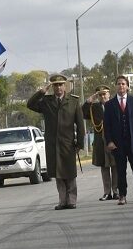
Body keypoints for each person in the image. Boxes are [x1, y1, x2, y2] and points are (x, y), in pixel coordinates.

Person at [27, 73, 84, 210]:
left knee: (69, 173)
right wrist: (41, 92)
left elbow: (80, 125)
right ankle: (62, 201)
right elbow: (30, 104)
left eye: (60, 85)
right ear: (52, 87)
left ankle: (71, 200)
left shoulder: (73, 101)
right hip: (53, 144)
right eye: (55, 85)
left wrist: (79, 144)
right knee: (58, 173)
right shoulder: (47, 101)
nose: (58, 88)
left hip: (68, 143)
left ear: (65, 86)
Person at [103, 76, 133, 205]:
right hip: (118, 144)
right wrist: (109, 141)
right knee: (120, 171)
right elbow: (107, 126)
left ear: (127, 86)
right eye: (118, 84)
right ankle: (122, 195)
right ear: (115, 86)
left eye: (123, 84)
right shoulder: (109, 105)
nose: (121, 86)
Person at [82, 85, 118, 201]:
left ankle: (116, 191)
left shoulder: (115, 104)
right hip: (100, 141)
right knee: (104, 167)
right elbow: (82, 113)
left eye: (104, 94)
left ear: (109, 94)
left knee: (115, 166)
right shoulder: (94, 107)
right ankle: (107, 192)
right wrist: (88, 101)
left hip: (113, 139)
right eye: (100, 95)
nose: (103, 96)